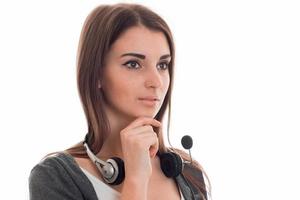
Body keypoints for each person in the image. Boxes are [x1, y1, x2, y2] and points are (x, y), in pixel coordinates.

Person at [29, 3, 210, 200]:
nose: (156, 81)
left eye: (162, 65)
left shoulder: (188, 172)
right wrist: (136, 180)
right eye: (133, 64)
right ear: (97, 74)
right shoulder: (56, 177)